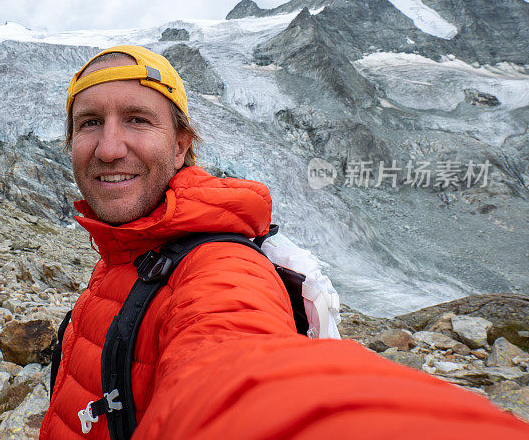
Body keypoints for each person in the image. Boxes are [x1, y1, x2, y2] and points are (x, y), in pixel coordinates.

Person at [38, 45, 529, 439]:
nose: (108, 147)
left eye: (138, 120)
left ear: (183, 144)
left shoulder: (219, 267)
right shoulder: (129, 248)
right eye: (90, 123)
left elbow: (235, 373)